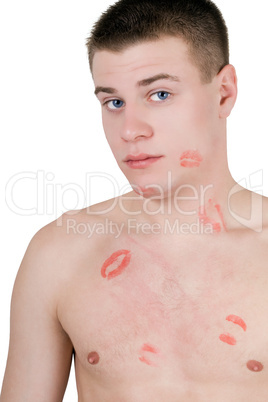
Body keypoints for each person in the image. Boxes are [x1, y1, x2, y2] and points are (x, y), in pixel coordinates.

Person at [1, 0, 268, 400]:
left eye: (160, 94)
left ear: (224, 93)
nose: (130, 130)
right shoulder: (59, 254)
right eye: (114, 102)